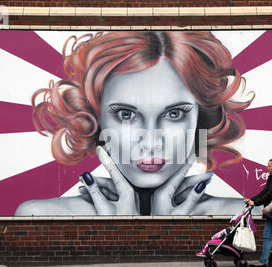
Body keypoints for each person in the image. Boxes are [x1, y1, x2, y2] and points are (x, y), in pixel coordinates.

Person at [15, 31, 255, 216]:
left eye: (174, 114)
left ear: (200, 121)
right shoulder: (38, 215)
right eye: (126, 115)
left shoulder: (243, 215)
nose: (151, 142)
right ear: (94, 121)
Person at [244, 158, 272, 267]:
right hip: (271, 213)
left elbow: (269, 195)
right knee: (267, 236)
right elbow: (264, 192)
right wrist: (251, 200)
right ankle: (263, 261)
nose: (267, 168)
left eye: (269, 166)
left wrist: (254, 202)